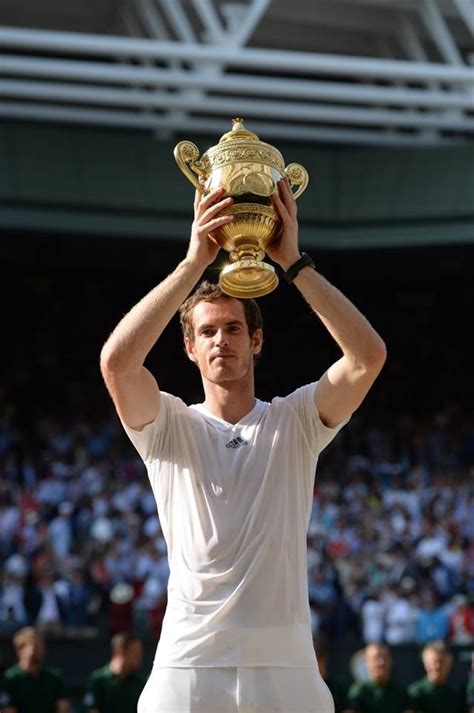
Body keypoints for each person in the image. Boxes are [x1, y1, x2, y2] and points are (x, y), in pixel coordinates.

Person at [100, 179, 387, 712]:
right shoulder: (167, 424)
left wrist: (294, 262)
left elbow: (367, 356)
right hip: (188, 665)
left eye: (233, 329)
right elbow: (117, 365)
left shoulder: (296, 419)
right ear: (188, 347)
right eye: (207, 332)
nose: (221, 341)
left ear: (255, 341)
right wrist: (192, 264)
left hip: (286, 666)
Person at [0, 626, 70, 713]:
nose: (40, 650)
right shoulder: (9, 679)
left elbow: (63, 708)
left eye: (42, 646)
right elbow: (8, 710)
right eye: (36, 646)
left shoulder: (54, 677)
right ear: (20, 650)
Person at [82, 632, 146, 713]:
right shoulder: (98, 680)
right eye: (135, 653)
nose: (139, 658)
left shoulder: (140, 684)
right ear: (120, 652)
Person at [345, 643, 413, 713]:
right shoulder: (358, 692)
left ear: (391, 661)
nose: (381, 662)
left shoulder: (401, 692)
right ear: (367, 662)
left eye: (384, 657)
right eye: (375, 658)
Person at [408, 639, 466, 713]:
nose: (437, 666)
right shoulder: (415, 693)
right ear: (425, 663)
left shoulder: (459, 692)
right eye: (433, 662)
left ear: (450, 662)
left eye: (441, 662)